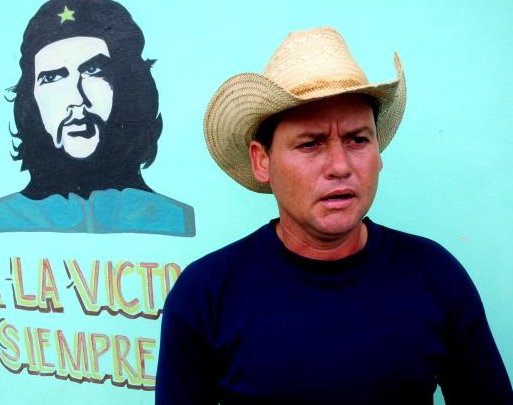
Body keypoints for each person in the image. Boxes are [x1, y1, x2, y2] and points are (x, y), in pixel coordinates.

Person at [156, 27, 513, 404]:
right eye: (310, 143)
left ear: (378, 153)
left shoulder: (435, 275)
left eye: (358, 140)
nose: (340, 166)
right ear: (262, 161)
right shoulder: (206, 294)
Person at [0, 0, 195, 236]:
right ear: (31, 100)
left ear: (130, 86)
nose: (77, 100)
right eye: (52, 77)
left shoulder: (174, 220)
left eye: (94, 71)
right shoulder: (5, 218)